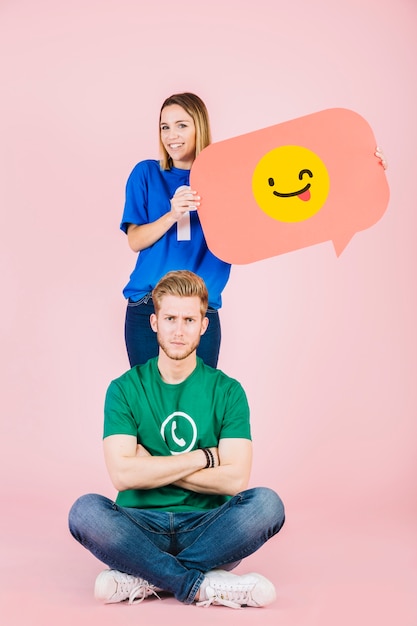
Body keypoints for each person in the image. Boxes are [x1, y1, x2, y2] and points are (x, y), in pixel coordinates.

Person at [69, 270, 285, 609]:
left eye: (189, 319)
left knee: (267, 504)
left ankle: (145, 576)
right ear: (154, 322)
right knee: (85, 512)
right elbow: (123, 476)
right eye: (170, 318)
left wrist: (149, 465)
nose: (179, 330)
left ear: (204, 325)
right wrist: (203, 458)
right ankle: (200, 584)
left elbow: (235, 479)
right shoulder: (125, 389)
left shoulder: (228, 391)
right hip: (140, 525)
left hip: (207, 527)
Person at [121, 92, 231, 369]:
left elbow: (242, 239)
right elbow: (135, 240)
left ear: (199, 127)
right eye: (165, 127)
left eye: (182, 125)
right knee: (147, 403)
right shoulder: (146, 174)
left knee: (199, 406)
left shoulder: (225, 180)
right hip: (149, 305)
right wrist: (172, 214)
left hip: (199, 308)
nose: (172, 135)